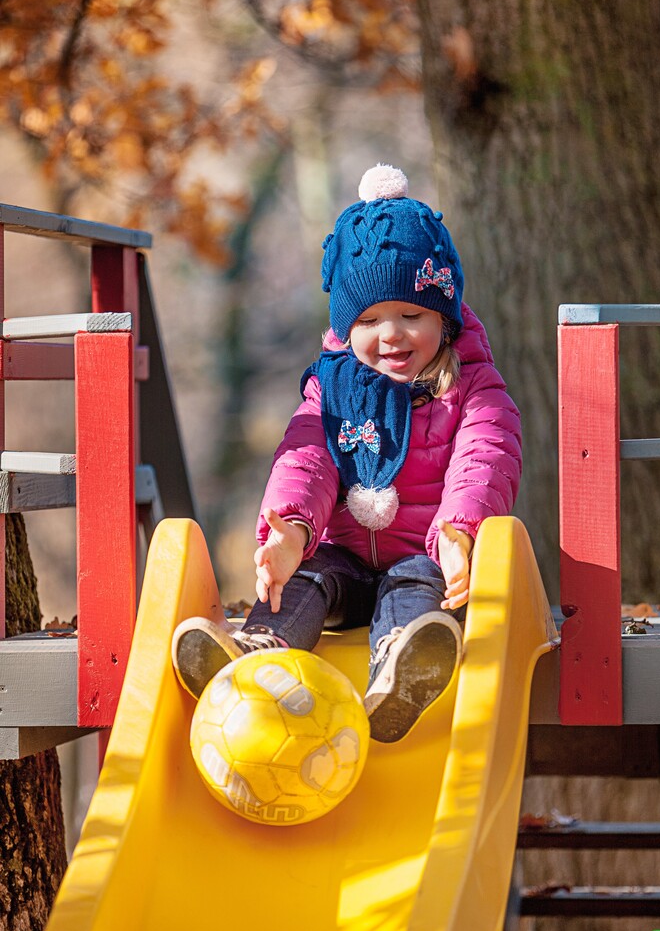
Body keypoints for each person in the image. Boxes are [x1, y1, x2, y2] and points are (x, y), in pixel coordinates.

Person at [172, 164, 522, 742]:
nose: (392, 335)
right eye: (369, 320)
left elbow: (485, 456)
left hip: (428, 558)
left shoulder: (472, 388)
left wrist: (460, 533)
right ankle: (258, 658)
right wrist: (287, 532)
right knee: (309, 577)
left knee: (413, 584)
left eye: (412, 315)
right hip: (345, 560)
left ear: (445, 316)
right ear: (345, 325)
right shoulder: (331, 388)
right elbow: (304, 457)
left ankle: (401, 672)